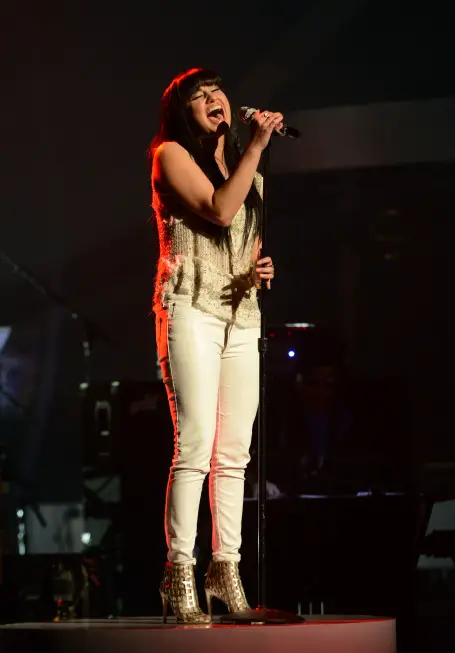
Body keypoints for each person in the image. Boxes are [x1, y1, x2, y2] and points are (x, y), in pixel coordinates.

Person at [147, 68, 281, 623]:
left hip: (241, 314)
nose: (213, 100)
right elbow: (220, 210)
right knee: (196, 445)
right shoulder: (170, 155)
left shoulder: (245, 167)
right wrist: (256, 147)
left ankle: (225, 569)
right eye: (198, 97)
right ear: (183, 113)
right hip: (191, 309)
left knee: (235, 454)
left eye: (216, 91)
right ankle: (179, 571)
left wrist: (258, 269)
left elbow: (239, 238)